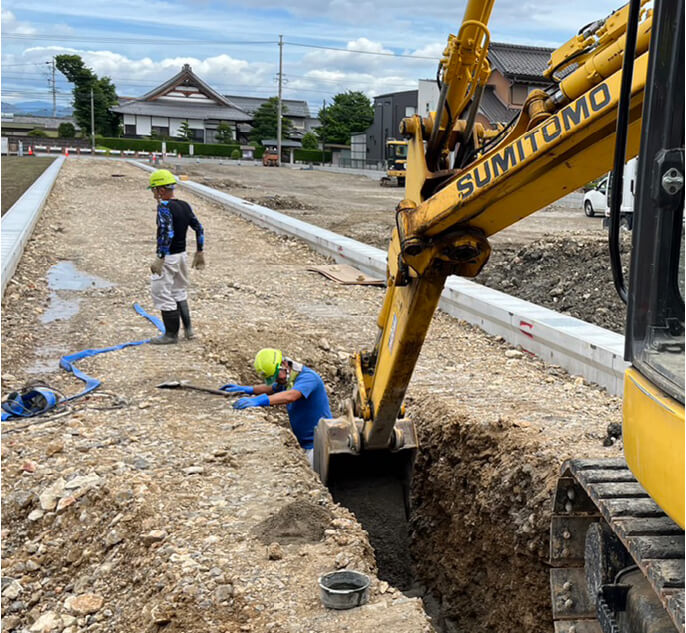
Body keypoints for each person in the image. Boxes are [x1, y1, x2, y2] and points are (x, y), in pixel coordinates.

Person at [223, 348, 332, 466]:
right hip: (305, 443)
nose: (277, 380)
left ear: (284, 364)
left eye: (277, 377)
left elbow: (292, 395)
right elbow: (272, 388)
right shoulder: (287, 379)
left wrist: (260, 400)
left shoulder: (308, 378)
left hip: (319, 445)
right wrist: (249, 389)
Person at [147, 169, 205, 344]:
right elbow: (199, 228)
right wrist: (199, 251)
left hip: (169, 257)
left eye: (154, 189)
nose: (153, 193)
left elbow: (167, 232)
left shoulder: (164, 208)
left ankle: (171, 335)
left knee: (161, 293)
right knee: (179, 291)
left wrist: (160, 256)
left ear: (161, 190)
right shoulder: (184, 205)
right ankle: (188, 330)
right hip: (182, 255)